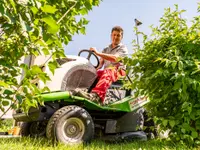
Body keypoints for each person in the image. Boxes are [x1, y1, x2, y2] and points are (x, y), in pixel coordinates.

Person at [76, 26, 128, 104]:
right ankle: (84, 91)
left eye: (118, 35)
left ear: (121, 37)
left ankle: (97, 96)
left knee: (109, 71)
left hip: (119, 71)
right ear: (111, 35)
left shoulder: (123, 48)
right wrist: (90, 69)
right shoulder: (106, 49)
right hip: (107, 71)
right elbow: (100, 65)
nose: (116, 37)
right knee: (94, 74)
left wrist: (98, 53)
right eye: (114, 35)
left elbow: (115, 58)